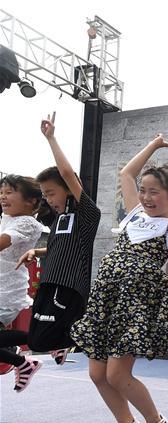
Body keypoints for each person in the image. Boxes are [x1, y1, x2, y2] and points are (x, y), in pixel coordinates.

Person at [70, 133, 168, 423]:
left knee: (117, 374)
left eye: (155, 193)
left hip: (136, 303)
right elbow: (125, 175)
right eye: (144, 191)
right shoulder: (134, 216)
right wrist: (154, 145)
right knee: (96, 373)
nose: (147, 197)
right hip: (107, 299)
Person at [17, 112, 101, 367]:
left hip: (68, 286)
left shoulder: (87, 214)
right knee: (36, 340)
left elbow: (66, 172)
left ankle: (87, 336)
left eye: (51, 192)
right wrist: (37, 252)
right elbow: (58, 246)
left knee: (44, 338)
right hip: (48, 282)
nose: (48, 199)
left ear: (68, 188)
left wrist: (51, 138)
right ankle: (64, 344)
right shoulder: (58, 219)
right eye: (45, 194)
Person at [0, 175, 50, 390]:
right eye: (2, 192)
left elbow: (3, 242)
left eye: (9, 192)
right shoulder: (6, 217)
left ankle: (51, 341)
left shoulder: (29, 223)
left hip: (6, 290)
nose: (3, 196)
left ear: (30, 201)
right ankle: (24, 362)